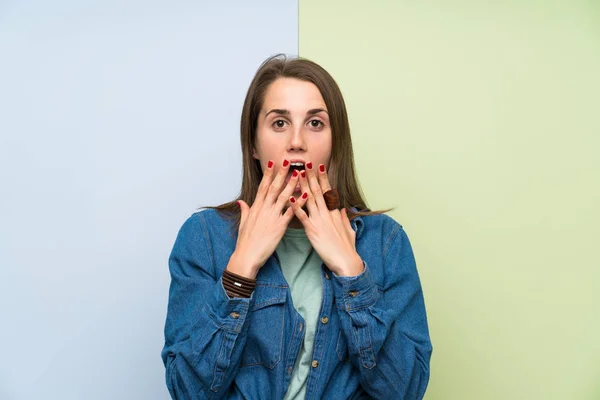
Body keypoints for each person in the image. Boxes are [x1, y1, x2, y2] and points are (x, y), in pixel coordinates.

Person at [161, 54, 432, 399]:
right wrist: (241, 269)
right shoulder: (204, 238)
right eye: (279, 123)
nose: (297, 141)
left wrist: (351, 272)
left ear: (336, 142)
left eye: (315, 123)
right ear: (254, 145)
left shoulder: (385, 242)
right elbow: (187, 390)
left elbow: (406, 391)